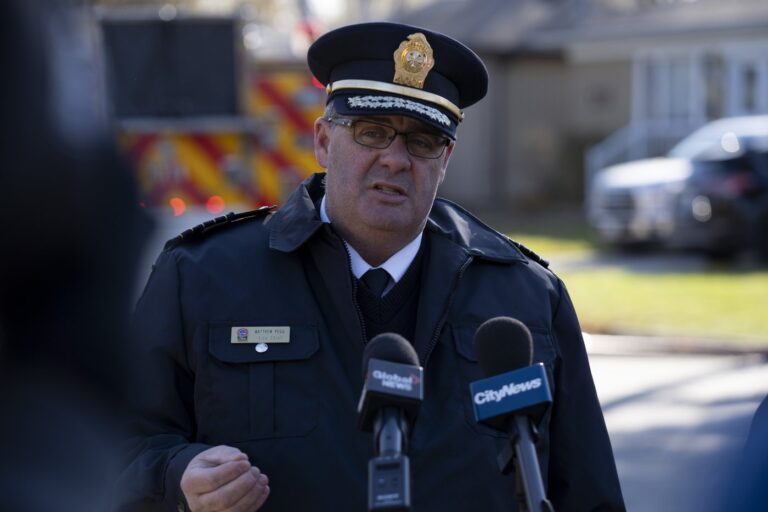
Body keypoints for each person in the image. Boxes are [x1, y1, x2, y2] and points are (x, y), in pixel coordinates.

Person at [116, 21, 625, 511]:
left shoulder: (526, 297)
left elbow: (587, 491)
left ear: (444, 160)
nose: (396, 159)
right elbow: (108, 444)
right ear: (322, 141)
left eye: (422, 141)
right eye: (372, 132)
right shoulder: (204, 276)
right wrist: (177, 474)